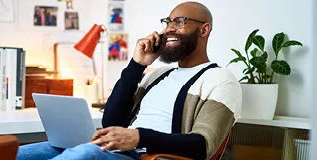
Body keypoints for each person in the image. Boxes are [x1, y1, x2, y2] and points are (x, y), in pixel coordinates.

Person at [17, 1, 242, 160]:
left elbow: (202, 146)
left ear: (204, 29)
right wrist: (137, 65)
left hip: (145, 156)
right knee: (19, 152)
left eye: (180, 22)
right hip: (114, 151)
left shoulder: (220, 80)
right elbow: (111, 119)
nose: (169, 29)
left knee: (85, 154)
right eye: (168, 22)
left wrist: (138, 137)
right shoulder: (157, 75)